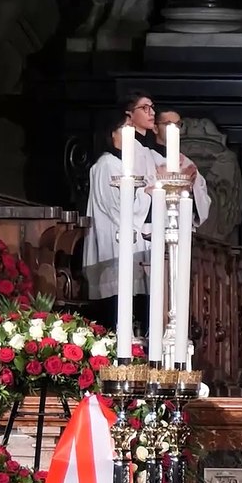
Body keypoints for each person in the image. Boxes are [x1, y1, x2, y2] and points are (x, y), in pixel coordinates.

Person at [82, 111, 155, 331]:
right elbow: (117, 210)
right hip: (113, 249)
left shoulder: (120, 164)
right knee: (116, 313)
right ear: (111, 133)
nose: (132, 133)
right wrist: (147, 194)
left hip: (126, 247)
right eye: (126, 128)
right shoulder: (107, 164)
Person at [122, 92, 214, 229]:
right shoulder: (144, 156)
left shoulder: (186, 162)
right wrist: (170, 184)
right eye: (168, 124)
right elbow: (137, 197)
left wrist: (189, 188)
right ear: (155, 128)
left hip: (180, 229)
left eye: (178, 124)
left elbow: (203, 202)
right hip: (153, 229)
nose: (175, 129)